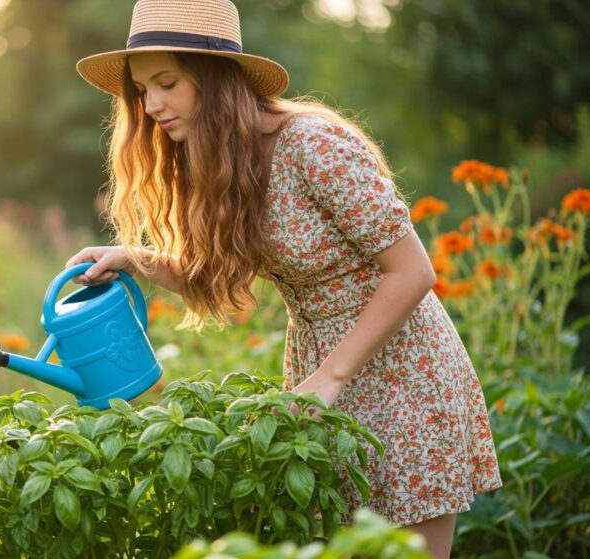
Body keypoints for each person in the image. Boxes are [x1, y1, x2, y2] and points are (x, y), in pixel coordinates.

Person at [63, 1, 502, 557]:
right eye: (142, 90)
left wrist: (331, 377)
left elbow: (414, 272)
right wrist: (134, 258)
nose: (151, 105)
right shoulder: (227, 158)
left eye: (166, 83)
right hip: (321, 373)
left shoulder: (313, 145)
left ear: (215, 78)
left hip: (400, 370)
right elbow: (215, 276)